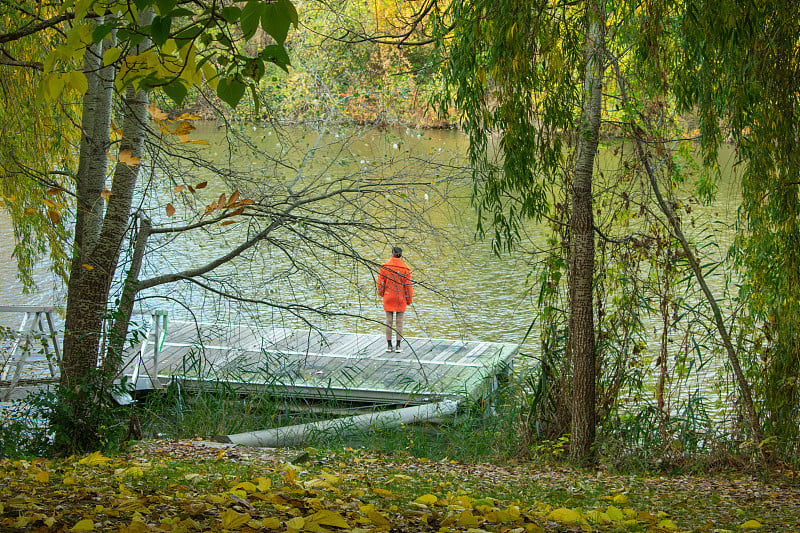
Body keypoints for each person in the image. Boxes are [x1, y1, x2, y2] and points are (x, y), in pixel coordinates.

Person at [377, 246, 413, 352]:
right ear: (401, 255)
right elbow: (408, 286)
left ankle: (389, 345)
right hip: (400, 298)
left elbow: (380, 283)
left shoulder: (385, 267)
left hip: (388, 296)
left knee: (388, 321)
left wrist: (382, 293)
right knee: (399, 322)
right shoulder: (405, 269)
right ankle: (398, 346)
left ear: (391, 253)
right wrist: (409, 299)